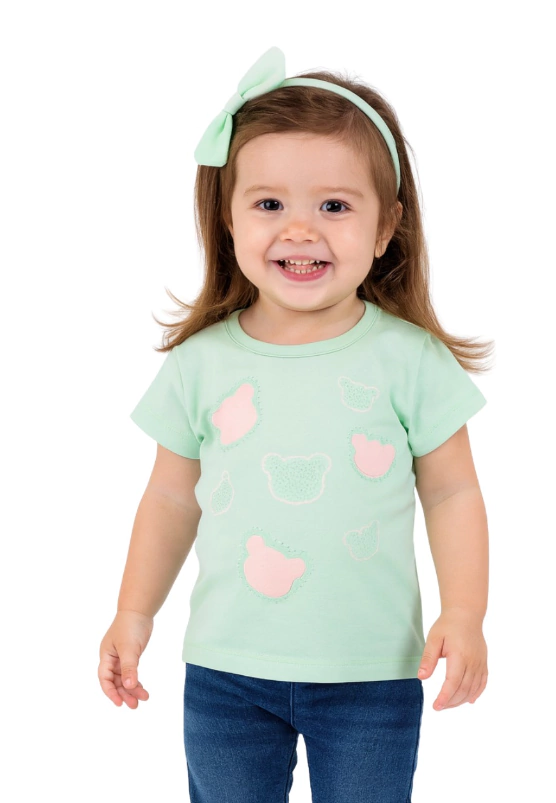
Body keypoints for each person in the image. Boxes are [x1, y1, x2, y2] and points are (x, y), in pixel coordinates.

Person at [98, 45, 493, 803]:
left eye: (334, 206)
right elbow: (170, 499)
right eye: (269, 204)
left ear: (386, 226)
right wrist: (133, 611)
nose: (301, 230)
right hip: (226, 672)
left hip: (372, 672)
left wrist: (466, 612)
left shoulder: (410, 360)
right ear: (228, 219)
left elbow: (453, 493)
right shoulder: (200, 364)